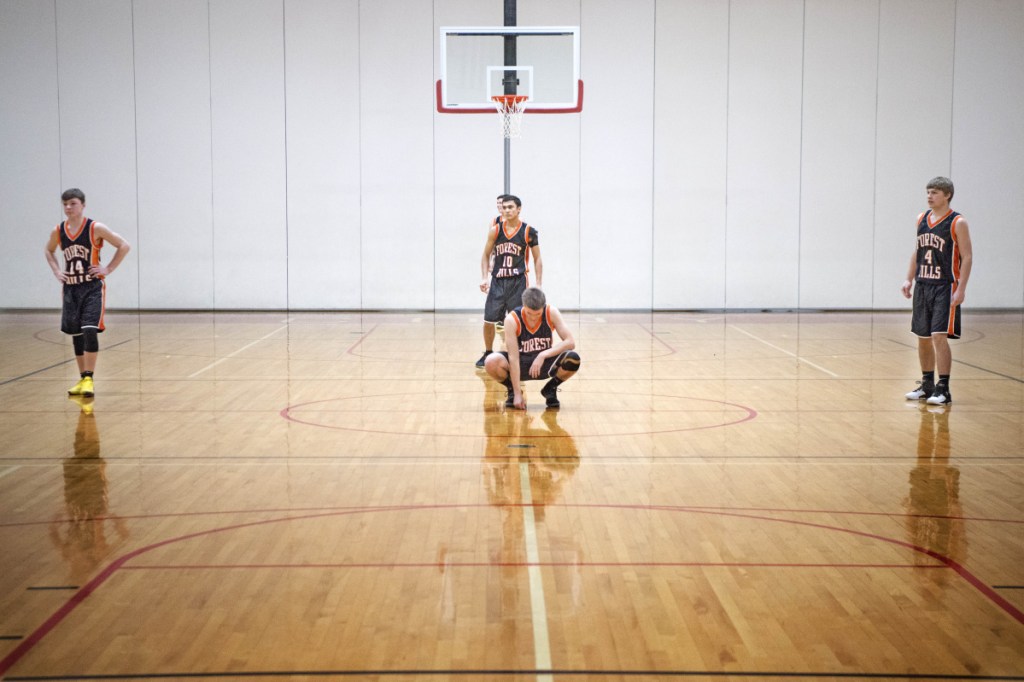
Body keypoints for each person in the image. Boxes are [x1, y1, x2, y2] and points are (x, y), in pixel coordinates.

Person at [44, 188, 131, 397]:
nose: (68, 207)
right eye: (64, 204)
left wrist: (107, 269)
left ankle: (89, 378)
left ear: (82, 205)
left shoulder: (95, 228)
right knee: (76, 334)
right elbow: (49, 250)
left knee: (90, 329)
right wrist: (57, 271)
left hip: (91, 287)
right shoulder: (59, 231)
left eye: (72, 203)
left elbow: (124, 245)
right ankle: (83, 378)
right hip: (71, 288)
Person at [901, 176, 973, 406]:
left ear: (947, 195)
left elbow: (968, 256)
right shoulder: (921, 218)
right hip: (923, 285)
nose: (929, 196)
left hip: (945, 286)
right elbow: (917, 251)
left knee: (938, 337)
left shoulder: (957, 222)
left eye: (934, 192)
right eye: (928, 192)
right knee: (923, 338)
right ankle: (927, 384)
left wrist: (961, 288)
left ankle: (944, 388)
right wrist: (908, 279)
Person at [483, 287, 579, 409]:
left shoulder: (551, 312)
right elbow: (513, 357)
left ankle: (550, 388)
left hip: (545, 363)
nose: (533, 317)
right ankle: (513, 390)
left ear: (543, 307)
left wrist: (542, 355)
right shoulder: (512, 319)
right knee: (491, 362)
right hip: (520, 363)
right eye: (529, 313)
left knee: (573, 358)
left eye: (538, 314)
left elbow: (570, 342)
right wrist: (518, 393)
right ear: (523, 306)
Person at [475, 195, 543, 368]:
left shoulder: (529, 231)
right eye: (504, 207)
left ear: (519, 209)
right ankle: (488, 353)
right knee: (489, 320)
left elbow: (537, 259)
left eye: (510, 207)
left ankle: (521, 353)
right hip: (498, 281)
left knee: (519, 320)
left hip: (518, 281)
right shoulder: (495, 230)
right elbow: (485, 255)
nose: (506, 210)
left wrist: (539, 283)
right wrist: (484, 277)